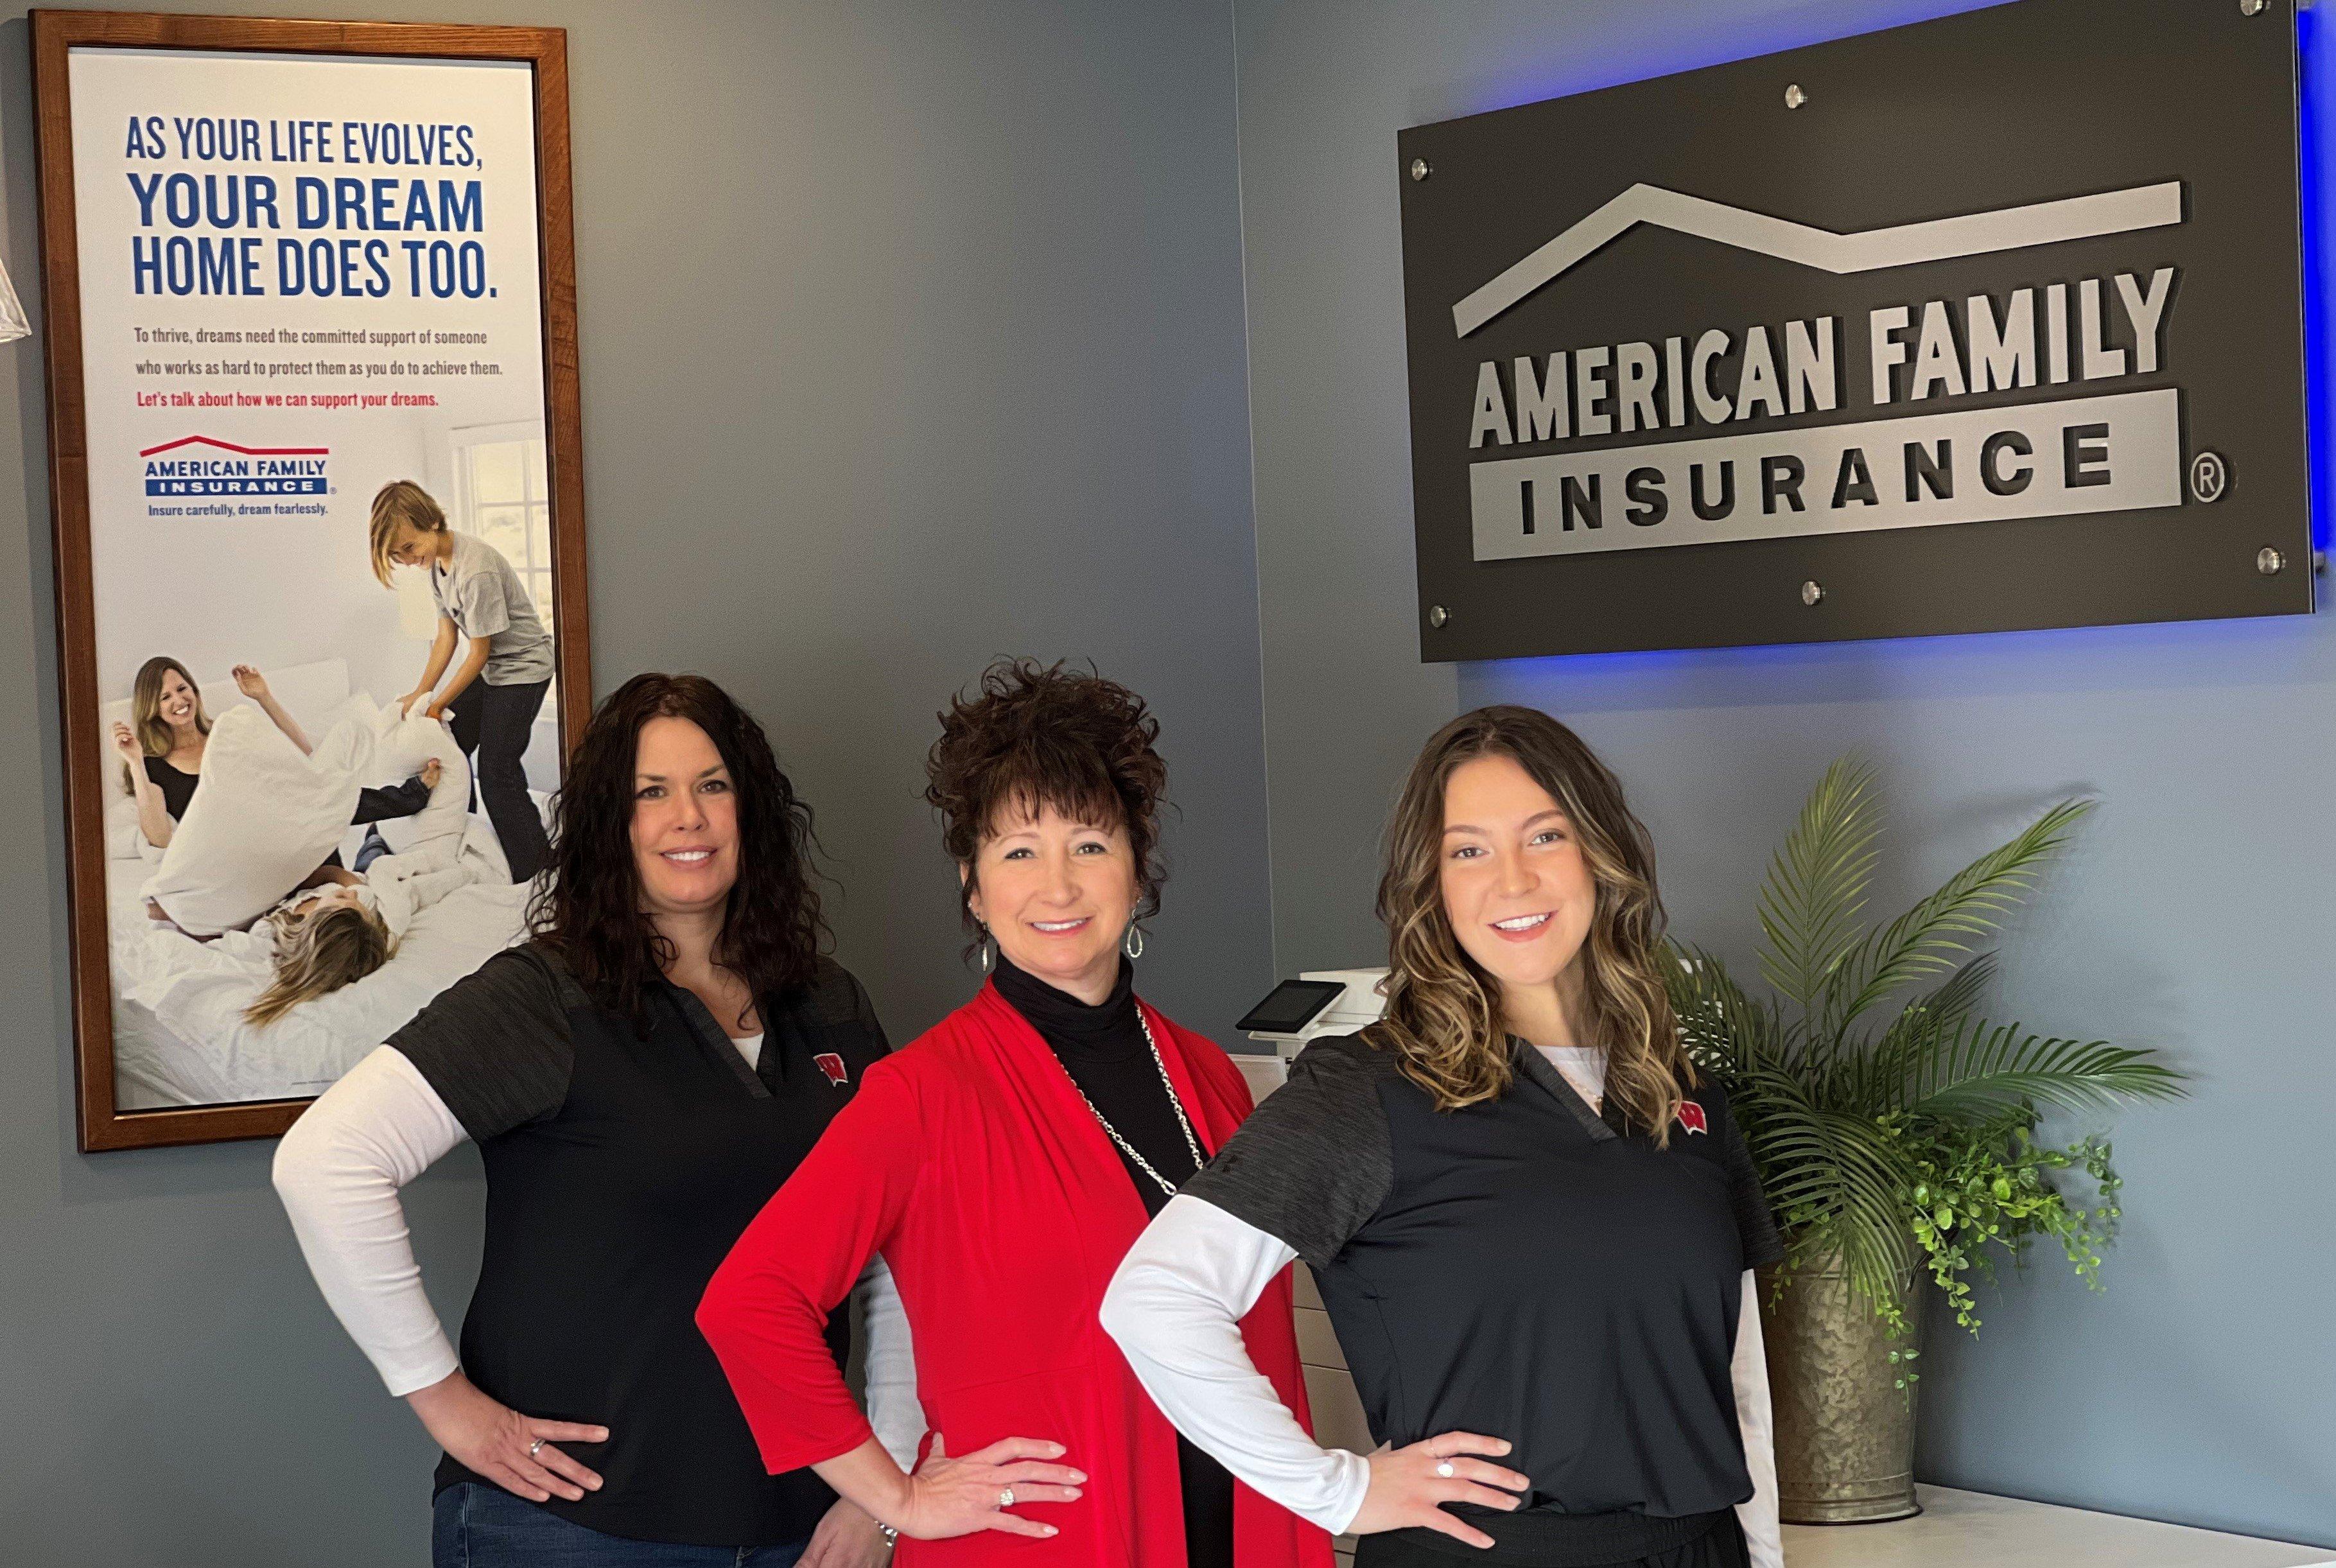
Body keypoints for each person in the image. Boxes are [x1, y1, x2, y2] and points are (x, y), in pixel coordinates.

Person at [1100, 706, 1786, 1568]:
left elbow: (1733, 1375)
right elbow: (1154, 1299)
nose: (1512, 879)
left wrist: (1762, 1556)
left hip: (1698, 1547)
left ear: (1600, 855)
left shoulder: (1680, 1092)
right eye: (1468, 849)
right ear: (1432, 883)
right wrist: (1337, 1489)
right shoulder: (1369, 1089)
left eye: (1545, 836)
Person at [696, 659, 1330, 1568]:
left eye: (1089, 843)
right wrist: (895, 1496)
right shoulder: (919, 1095)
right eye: (1018, 849)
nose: (1057, 885)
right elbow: (749, 1303)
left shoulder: (1210, 1078)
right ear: (974, 882)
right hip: (1045, 1543)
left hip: (1237, 1531)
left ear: (1137, 863)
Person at [274, 673, 917, 1567]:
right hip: (566, 1531)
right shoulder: (544, 996)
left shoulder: (833, 1006)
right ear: (611, 825)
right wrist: (442, 1399)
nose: (685, 816)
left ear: (753, 810)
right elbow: (324, 1160)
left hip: (799, 1528)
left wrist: (883, 1491)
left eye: (712, 784)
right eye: (650, 792)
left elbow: (894, 1257)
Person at [368, 478, 555, 882]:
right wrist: (422, 694)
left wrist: (436, 705)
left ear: (432, 522)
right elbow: (447, 638)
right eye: (397, 554)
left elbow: (479, 652)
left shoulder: (476, 571)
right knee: (449, 743)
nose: (405, 559)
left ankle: (538, 874)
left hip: (522, 669)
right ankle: (457, 840)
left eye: (408, 548)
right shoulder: (438, 567)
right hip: (492, 669)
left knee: (496, 773)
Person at [112, 655, 433, 855]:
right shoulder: (153, 765)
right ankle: (399, 811)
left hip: (273, 814)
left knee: (319, 793)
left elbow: (304, 753)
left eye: (182, 689)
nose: (179, 700)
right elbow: (160, 839)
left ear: (195, 691)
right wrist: (136, 763)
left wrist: (264, 697)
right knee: (317, 802)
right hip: (234, 842)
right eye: (165, 696)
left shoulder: (223, 734)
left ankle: (405, 801)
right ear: (152, 708)